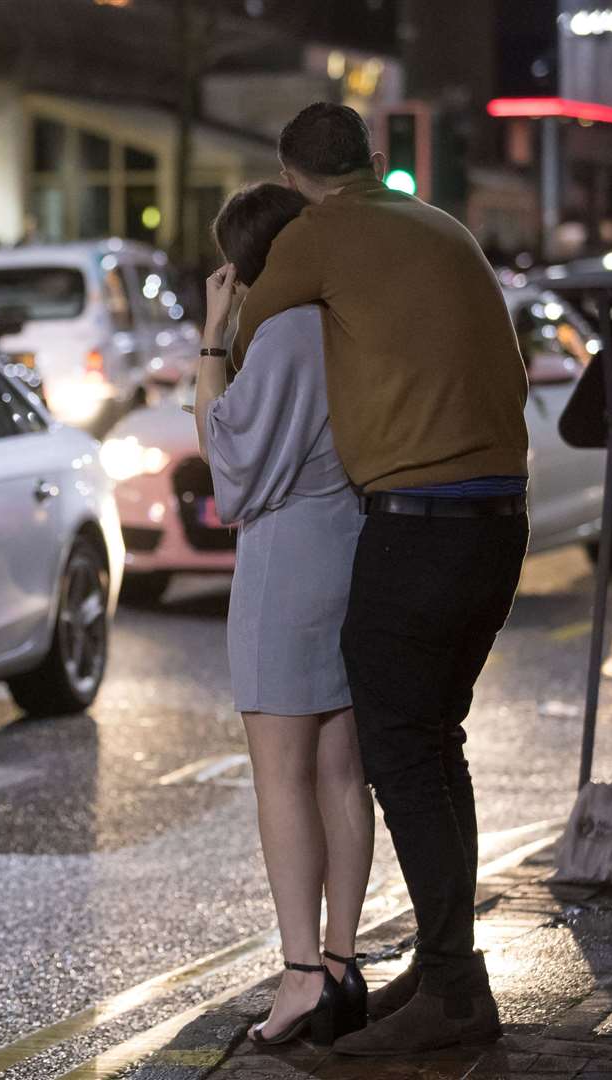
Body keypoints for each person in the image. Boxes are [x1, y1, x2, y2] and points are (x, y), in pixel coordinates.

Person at [230, 103, 529, 1055]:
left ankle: (454, 995)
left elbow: (250, 334)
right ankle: (447, 968)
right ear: (378, 158)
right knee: (435, 743)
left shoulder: (318, 234)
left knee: (400, 749)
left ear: (292, 176)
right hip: (500, 518)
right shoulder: (442, 225)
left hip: (419, 523)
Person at [195, 184, 374, 1048]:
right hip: (350, 549)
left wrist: (210, 341)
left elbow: (228, 468)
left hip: (286, 564)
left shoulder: (280, 337)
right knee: (344, 771)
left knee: (281, 777)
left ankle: (301, 974)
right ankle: (341, 962)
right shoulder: (347, 320)